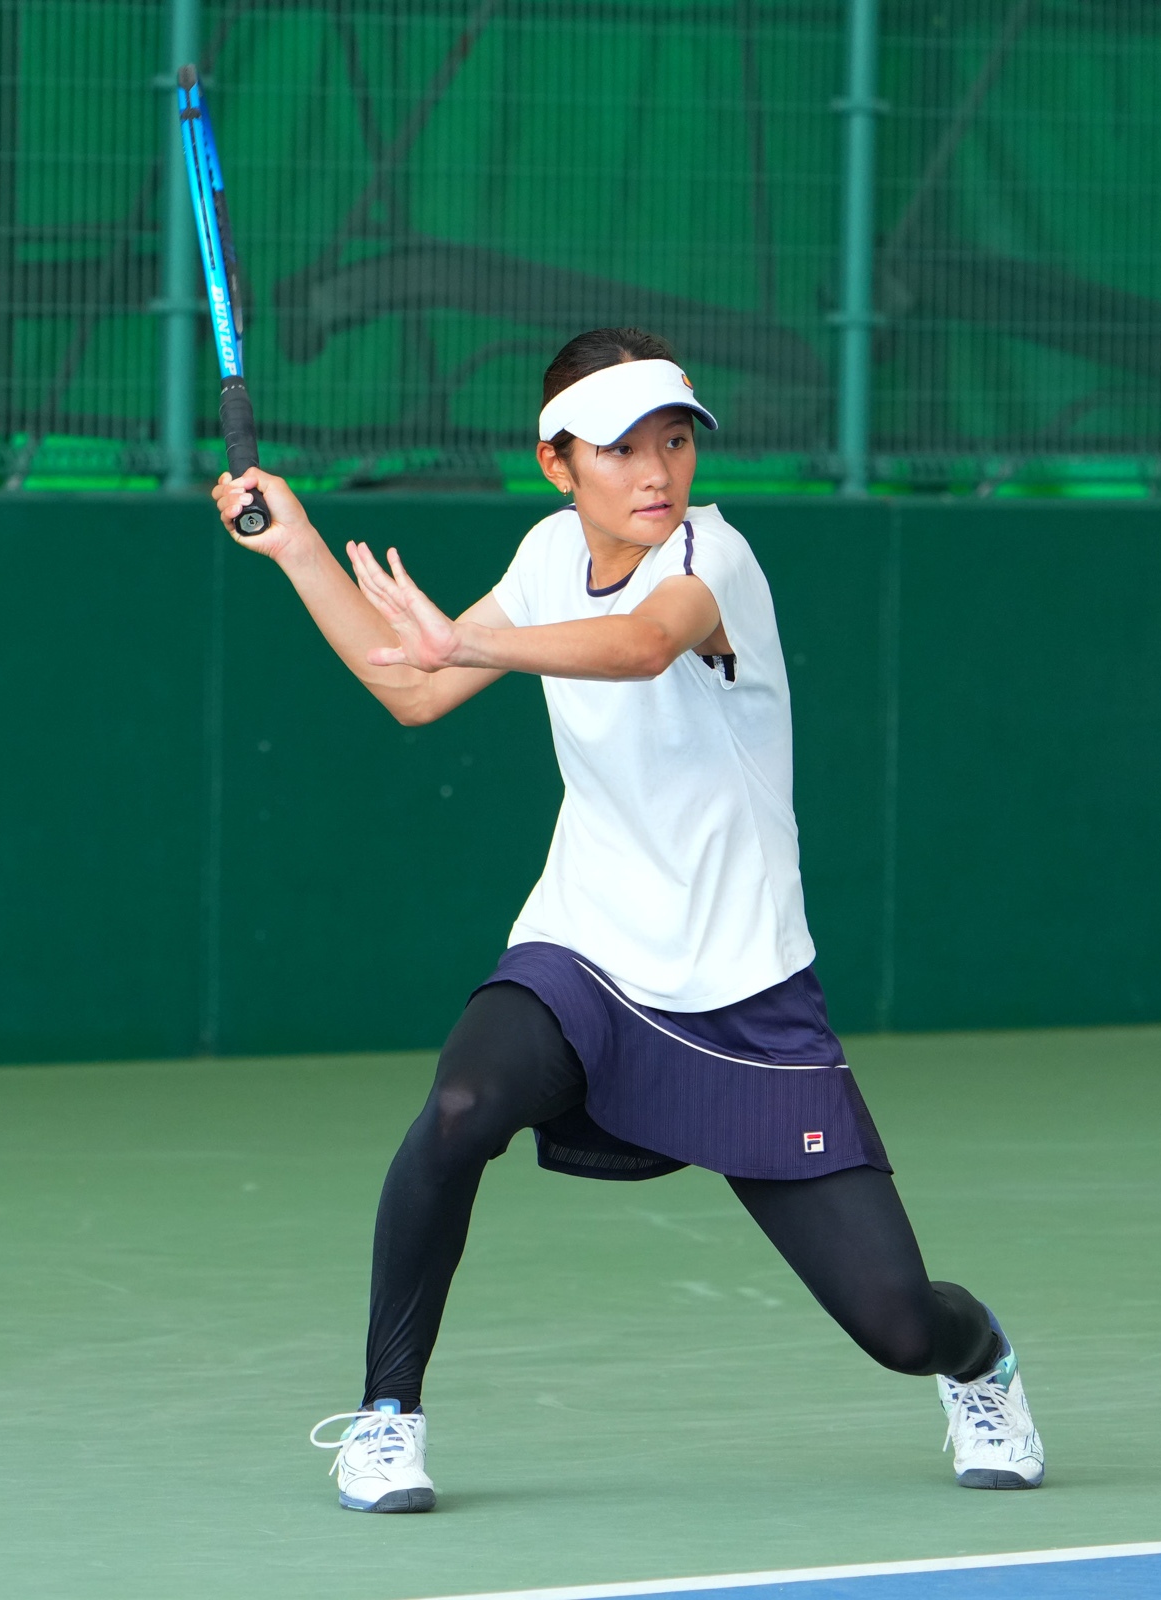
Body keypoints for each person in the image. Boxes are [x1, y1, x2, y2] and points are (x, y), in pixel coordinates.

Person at [211, 328, 1044, 1515]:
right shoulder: (547, 554)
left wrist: (470, 637)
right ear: (557, 463)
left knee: (898, 1322)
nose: (658, 471)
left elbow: (646, 644)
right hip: (585, 955)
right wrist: (297, 545)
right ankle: (388, 1417)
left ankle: (980, 1361)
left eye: (675, 441)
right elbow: (412, 686)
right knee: (461, 1106)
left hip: (745, 992)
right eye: (622, 449)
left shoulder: (716, 557)